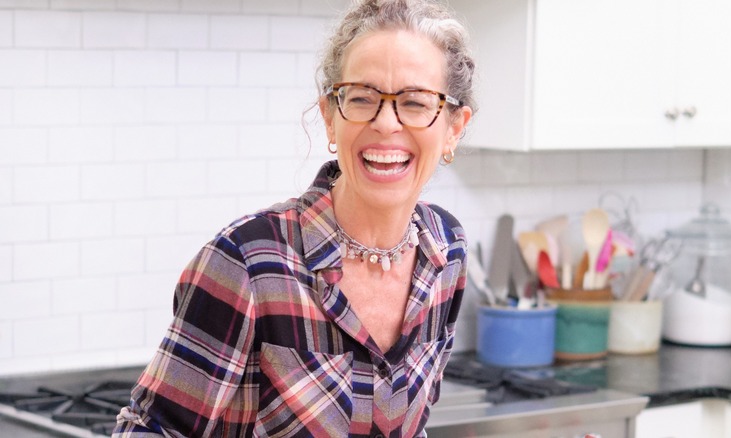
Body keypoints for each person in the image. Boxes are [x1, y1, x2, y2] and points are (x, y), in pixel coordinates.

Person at [113, 0, 475, 436]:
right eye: (362, 98)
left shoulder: (446, 251)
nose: (385, 122)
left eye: (415, 103)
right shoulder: (248, 263)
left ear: (454, 127)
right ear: (329, 117)